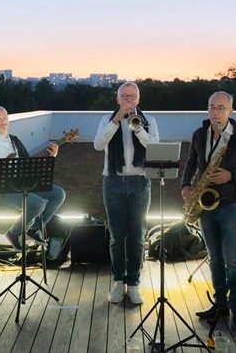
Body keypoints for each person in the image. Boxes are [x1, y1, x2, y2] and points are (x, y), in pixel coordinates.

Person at [181, 91, 236, 332]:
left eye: (221, 108)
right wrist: (186, 185)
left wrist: (231, 176)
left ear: (231, 111)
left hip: (232, 205)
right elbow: (191, 162)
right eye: (212, 107)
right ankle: (220, 304)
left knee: (232, 260)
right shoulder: (199, 134)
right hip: (206, 206)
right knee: (215, 258)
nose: (216, 112)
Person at [0, 106, 66, 250]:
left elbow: (29, 167)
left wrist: (51, 158)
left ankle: (34, 229)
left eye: (5, 118)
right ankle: (14, 232)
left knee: (59, 194)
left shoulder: (15, 141)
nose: (3, 121)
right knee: (38, 204)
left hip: (20, 185)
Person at [94, 81, 159, 305]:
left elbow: (154, 147)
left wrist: (138, 128)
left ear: (138, 99)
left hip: (140, 182)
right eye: (124, 96)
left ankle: (133, 283)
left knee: (137, 236)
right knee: (117, 236)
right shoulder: (107, 119)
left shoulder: (149, 120)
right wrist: (115, 121)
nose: (128, 100)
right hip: (113, 182)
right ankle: (118, 281)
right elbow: (98, 145)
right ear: (118, 99)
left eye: (132, 96)